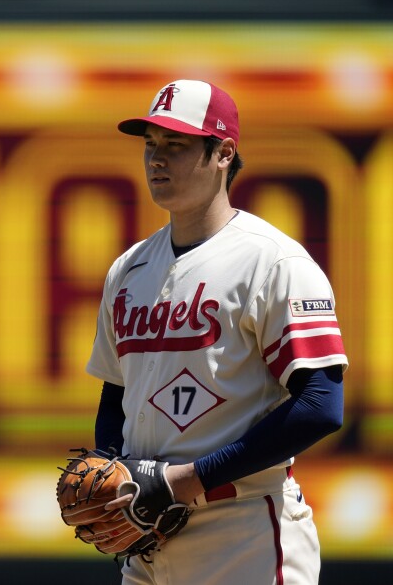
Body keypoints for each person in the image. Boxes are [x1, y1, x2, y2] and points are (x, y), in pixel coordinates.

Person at [85, 79, 348, 584]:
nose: (157, 160)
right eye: (151, 145)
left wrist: (186, 481)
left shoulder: (273, 261)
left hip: (244, 534)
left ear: (223, 152)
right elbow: (115, 393)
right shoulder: (129, 269)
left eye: (176, 146)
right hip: (149, 537)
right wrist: (112, 476)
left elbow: (320, 404)